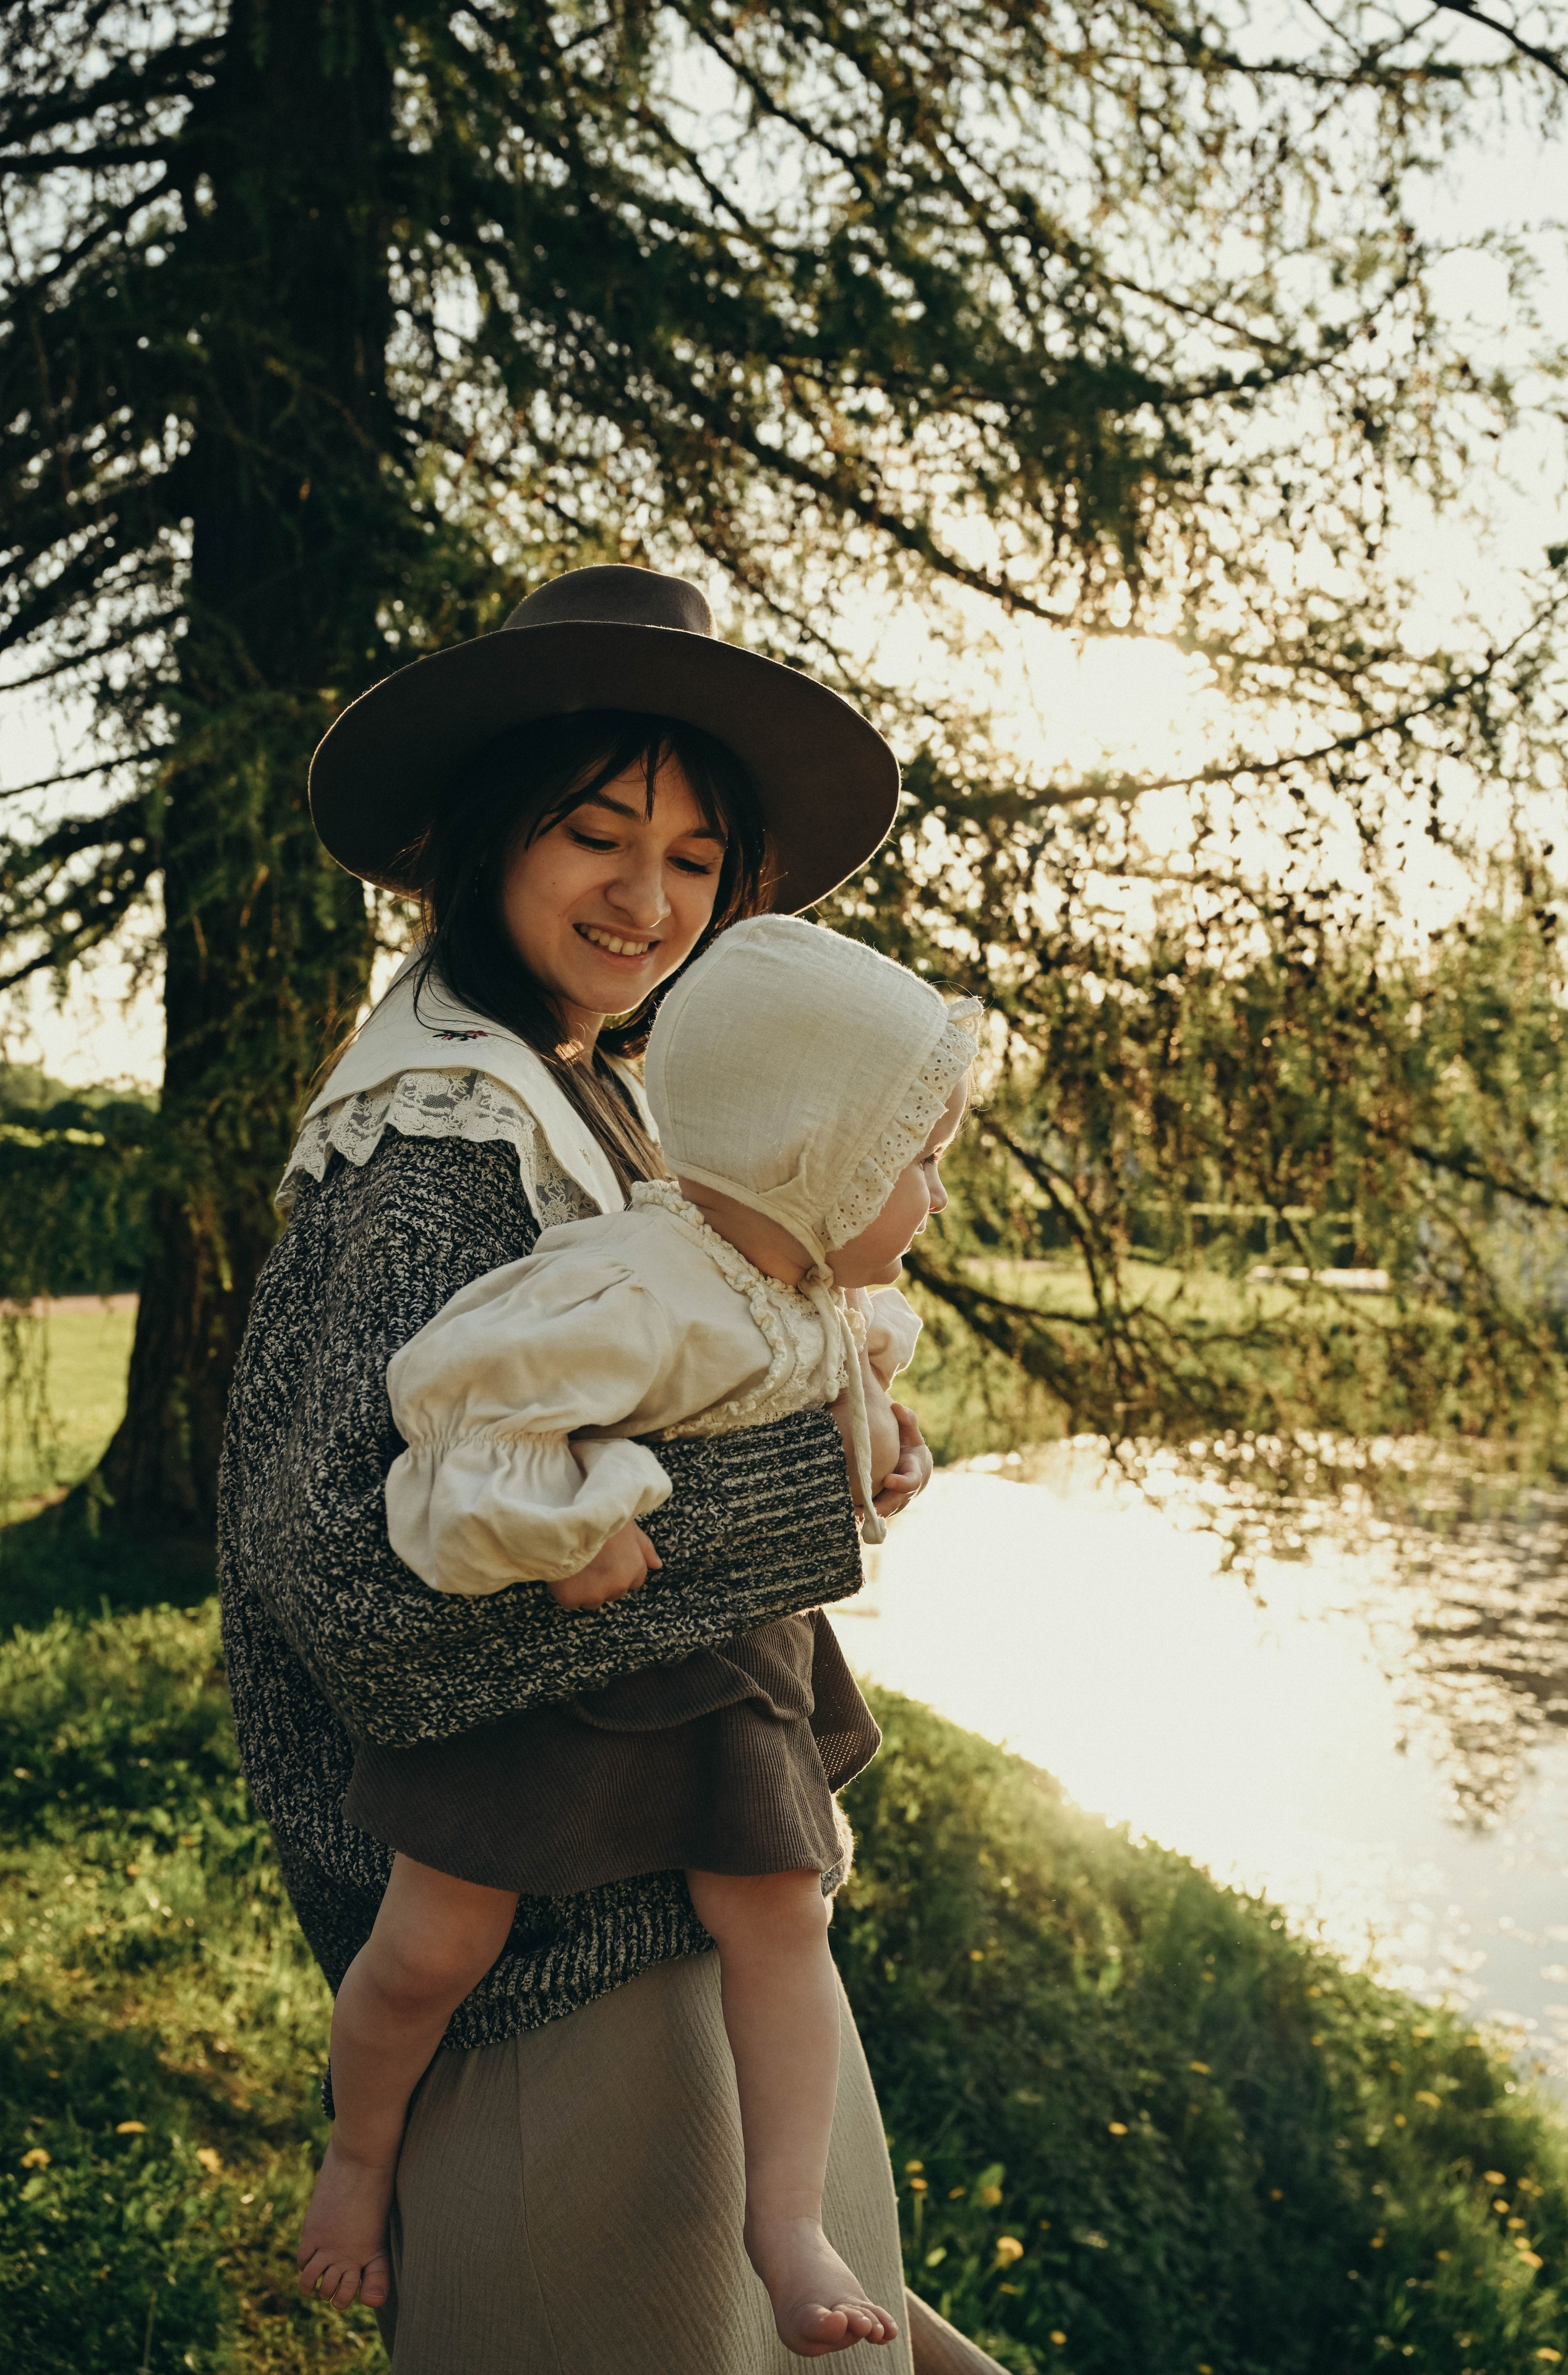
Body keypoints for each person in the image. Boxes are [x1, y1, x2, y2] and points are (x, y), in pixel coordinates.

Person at [219, 562, 1001, 2373]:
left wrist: (833, 1425)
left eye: (697, 862)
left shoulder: (589, 1098)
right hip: (548, 1988)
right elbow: (349, 1595)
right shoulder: (433, 1150)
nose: (651, 900)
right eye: (598, 836)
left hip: (671, 1912)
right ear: (491, 834)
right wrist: (797, 1500)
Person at [294, 917, 979, 2354]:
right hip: (560, 1686)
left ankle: (785, 2226)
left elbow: (834, 1374)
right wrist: (574, 1514)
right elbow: (455, 1411)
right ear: (817, 1155)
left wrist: (877, 1444)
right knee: (432, 1943)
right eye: (914, 1160)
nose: (931, 1192)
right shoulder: (635, 1287)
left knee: (779, 1922)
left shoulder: (801, 1290)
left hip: (726, 1676)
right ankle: (358, 2162)